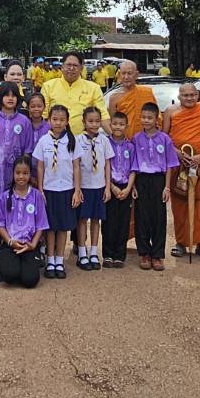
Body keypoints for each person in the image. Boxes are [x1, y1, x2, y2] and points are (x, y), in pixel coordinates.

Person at [167, 81, 200, 261]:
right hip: (178, 164)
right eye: (185, 95)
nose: (189, 98)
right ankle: (181, 242)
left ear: (198, 96)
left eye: (193, 95)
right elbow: (164, 138)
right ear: (179, 96)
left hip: (198, 164)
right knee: (180, 205)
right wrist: (177, 153)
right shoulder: (170, 112)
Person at [32, 103, 81, 279]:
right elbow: (40, 167)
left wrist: (77, 190)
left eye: (62, 120)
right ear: (49, 120)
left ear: (67, 121)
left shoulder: (71, 141)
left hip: (66, 190)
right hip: (49, 190)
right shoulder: (43, 141)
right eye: (54, 119)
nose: (58, 123)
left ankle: (60, 260)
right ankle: (50, 259)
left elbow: (76, 167)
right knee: (50, 227)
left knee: (63, 226)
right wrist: (40, 190)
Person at [132, 102, 175, 271]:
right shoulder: (136, 138)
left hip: (158, 181)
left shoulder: (164, 139)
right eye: (143, 117)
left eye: (149, 117)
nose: (146, 120)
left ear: (157, 118)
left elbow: (170, 164)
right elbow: (133, 163)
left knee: (159, 218)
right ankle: (144, 253)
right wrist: (134, 185)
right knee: (142, 217)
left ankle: (157, 255)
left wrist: (167, 187)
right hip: (141, 180)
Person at [0, 155, 47, 288]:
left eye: (25, 173)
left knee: (30, 281)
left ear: (30, 175)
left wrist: (33, 244)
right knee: (9, 276)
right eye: (18, 173)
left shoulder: (36, 196)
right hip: (10, 244)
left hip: (29, 245)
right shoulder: (4, 197)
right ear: (13, 174)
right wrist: (10, 241)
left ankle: (27, 265)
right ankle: (14, 266)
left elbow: (41, 224)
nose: (21, 177)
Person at [74, 106, 113, 269]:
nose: (94, 124)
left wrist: (107, 187)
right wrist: (77, 189)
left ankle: (94, 251)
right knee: (82, 220)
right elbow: (75, 165)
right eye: (90, 121)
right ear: (83, 122)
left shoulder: (104, 140)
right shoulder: (77, 140)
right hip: (84, 187)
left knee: (96, 220)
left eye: (97, 121)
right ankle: (82, 252)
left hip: (99, 186)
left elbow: (107, 165)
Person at [0, 80, 32, 193]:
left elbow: (27, 151)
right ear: (0, 98)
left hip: (17, 174)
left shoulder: (24, 121)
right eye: (7, 95)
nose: (10, 98)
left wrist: (25, 174)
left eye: (13, 95)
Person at [41, 53, 106, 137]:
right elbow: (43, 116)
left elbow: (103, 115)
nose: (71, 68)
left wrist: (114, 137)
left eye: (75, 65)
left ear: (81, 68)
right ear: (62, 67)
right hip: (55, 141)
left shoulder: (94, 88)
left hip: (84, 142)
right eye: (68, 65)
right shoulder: (48, 86)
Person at [103, 110, 137, 268]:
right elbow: (103, 168)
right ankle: (107, 255)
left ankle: (119, 255)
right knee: (109, 221)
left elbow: (133, 169)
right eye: (115, 124)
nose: (118, 127)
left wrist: (129, 188)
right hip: (109, 187)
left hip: (125, 188)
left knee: (123, 222)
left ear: (126, 126)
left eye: (121, 124)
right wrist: (111, 187)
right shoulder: (104, 143)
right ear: (110, 125)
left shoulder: (130, 146)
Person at [105, 59, 157, 132]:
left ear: (136, 75)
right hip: (124, 140)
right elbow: (114, 123)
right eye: (123, 73)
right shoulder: (114, 98)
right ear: (119, 75)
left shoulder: (146, 92)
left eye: (129, 73)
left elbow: (156, 116)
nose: (126, 77)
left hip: (145, 139)